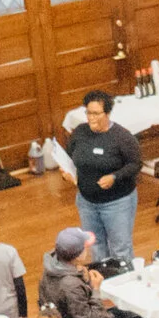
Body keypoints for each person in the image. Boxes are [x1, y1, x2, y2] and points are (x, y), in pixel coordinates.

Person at [41, 228, 153, 318]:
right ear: (76, 255)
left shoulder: (52, 269)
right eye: (84, 248)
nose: (87, 250)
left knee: (128, 314)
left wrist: (81, 278)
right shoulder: (70, 285)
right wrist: (95, 290)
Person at [67, 90, 144, 269]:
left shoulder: (122, 137)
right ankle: (103, 283)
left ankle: (126, 285)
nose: (91, 118)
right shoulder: (79, 133)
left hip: (117, 203)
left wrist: (114, 177)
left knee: (120, 249)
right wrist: (68, 172)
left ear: (107, 114)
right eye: (88, 112)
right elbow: (70, 155)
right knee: (96, 246)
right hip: (87, 202)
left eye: (96, 114)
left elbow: (135, 164)